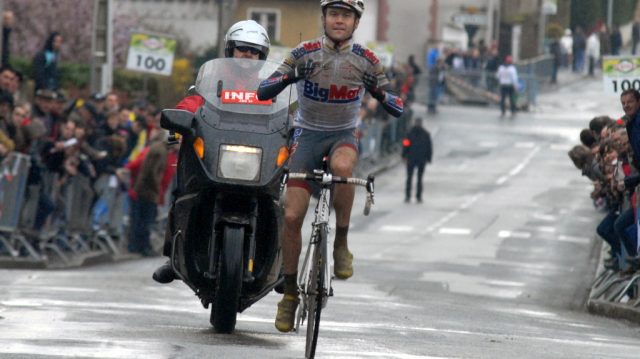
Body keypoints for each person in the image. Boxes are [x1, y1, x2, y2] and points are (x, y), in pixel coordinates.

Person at [256, 0, 403, 333]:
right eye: (334, 14)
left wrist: (381, 95)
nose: (339, 21)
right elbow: (264, 90)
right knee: (292, 216)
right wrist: (289, 76)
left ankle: (341, 243)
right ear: (323, 18)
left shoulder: (367, 60)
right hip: (306, 136)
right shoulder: (304, 52)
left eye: (346, 16)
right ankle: (290, 295)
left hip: (342, 135)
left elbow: (397, 104)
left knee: (343, 167)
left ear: (355, 22)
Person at [152, 19, 271, 283]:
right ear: (230, 50)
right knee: (183, 190)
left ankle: (282, 264)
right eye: (242, 48)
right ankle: (174, 256)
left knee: (283, 199)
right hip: (215, 156)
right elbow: (192, 102)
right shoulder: (211, 80)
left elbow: (288, 116)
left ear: (263, 56)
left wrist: (296, 131)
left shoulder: (271, 88)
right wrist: (181, 115)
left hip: (259, 162)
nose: (247, 55)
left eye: (254, 51)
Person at [402, 118, 432, 203]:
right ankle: (418, 196)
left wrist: (404, 155)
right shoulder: (426, 134)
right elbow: (429, 147)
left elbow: (406, 145)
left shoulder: (409, 133)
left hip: (411, 158)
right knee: (420, 178)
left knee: (409, 177)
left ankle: (408, 196)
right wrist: (428, 158)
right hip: (421, 159)